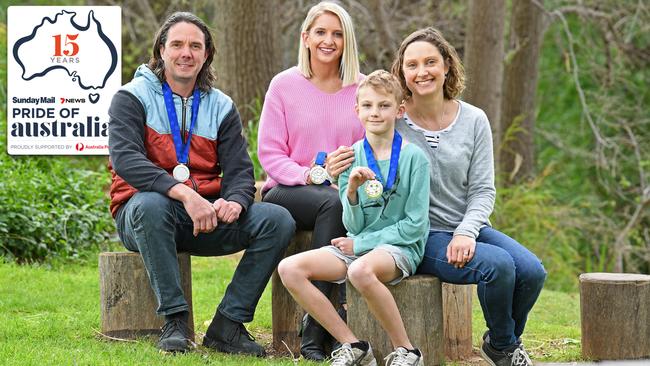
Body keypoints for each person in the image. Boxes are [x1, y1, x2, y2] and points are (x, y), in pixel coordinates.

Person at [107, 12, 295, 356]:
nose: (186, 53)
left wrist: (236, 202)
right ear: (161, 50)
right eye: (177, 44)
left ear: (207, 54)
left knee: (277, 219)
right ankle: (176, 321)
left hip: (205, 217)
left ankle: (228, 325)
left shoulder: (221, 105)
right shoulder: (130, 97)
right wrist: (184, 194)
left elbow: (240, 170)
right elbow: (126, 161)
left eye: (196, 46)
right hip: (143, 216)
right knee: (152, 204)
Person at [387, 27, 547, 366]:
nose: (422, 72)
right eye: (412, 65)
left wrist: (465, 231)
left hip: (466, 226)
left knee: (532, 271)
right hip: (420, 233)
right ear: (402, 72)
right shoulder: (393, 121)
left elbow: (483, 190)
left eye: (430, 62)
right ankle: (505, 348)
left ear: (447, 65)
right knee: (497, 266)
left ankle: (499, 343)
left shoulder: (474, 119)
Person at [278, 70, 430, 366]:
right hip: (359, 245)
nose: (376, 112)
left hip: (399, 248)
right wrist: (350, 191)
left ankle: (407, 351)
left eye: (384, 105)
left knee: (360, 271)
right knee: (290, 269)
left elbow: (415, 226)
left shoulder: (415, 158)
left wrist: (361, 244)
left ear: (399, 110)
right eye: (369, 105)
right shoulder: (351, 156)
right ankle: (354, 345)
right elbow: (354, 225)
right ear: (357, 110)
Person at [257, 1, 364, 360]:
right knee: (330, 202)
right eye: (320, 32)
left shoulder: (362, 89)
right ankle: (316, 331)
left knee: (336, 204)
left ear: (347, 41)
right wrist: (315, 175)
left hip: (349, 195)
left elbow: (377, 148)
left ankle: (328, 329)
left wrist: (349, 181)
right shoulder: (285, 85)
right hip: (287, 191)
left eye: (337, 34)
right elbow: (270, 155)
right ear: (305, 37)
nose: (328, 40)